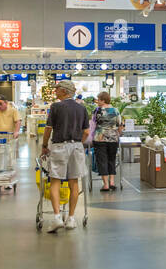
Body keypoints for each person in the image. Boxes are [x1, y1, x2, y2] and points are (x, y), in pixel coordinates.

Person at [40, 79, 89, 232]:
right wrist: (78, 143)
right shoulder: (82, 109)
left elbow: (48, 128)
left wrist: (44, 146)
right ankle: (71, 219)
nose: (55, 91)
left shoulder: (56, 107)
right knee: (74, 182)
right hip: (76, 146)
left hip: (59, 146)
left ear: (64, 91)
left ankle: (56, 218)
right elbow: (86, 132)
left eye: (57, 89)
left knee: (55, 180)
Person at [89, 90, 122, 192]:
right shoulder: (115, 110)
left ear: (103, 100)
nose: (97, 102)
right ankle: (112, 182)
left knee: (102, 161)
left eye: (98, 100)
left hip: (100, 138)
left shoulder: (97, 111)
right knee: (111, 160)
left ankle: (106, 184)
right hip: (113, 138)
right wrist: (117, 134)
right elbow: (120, 125)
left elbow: (92, 124)